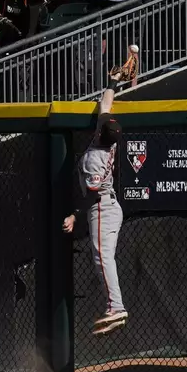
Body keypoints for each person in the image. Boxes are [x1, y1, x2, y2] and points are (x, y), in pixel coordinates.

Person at [62, 69, 127, 337]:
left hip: (101, 207)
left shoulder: (94, 159)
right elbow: (106, 104)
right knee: (103, 258)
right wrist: (114, 80)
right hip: (108, 205)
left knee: (102, 258)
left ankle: (116, 307)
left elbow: (90, 193)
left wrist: (75, 216)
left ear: (101, 134)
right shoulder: (107, 135)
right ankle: (115, 306)